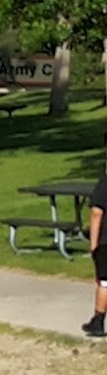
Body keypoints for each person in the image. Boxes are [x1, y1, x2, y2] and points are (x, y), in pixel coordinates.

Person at [86, 145, 107, 338]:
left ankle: (98, 320)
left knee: (105, 281)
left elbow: (96, 213)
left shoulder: (104, 184)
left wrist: (93, 242)